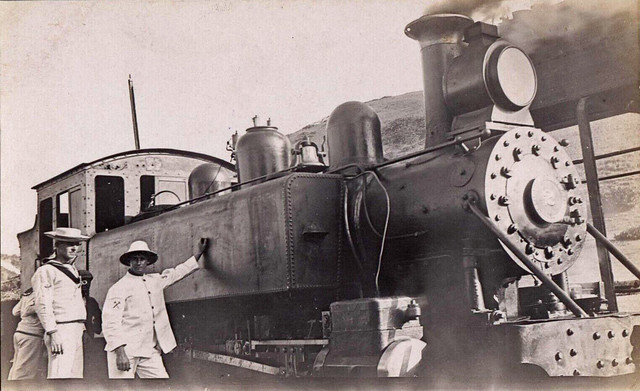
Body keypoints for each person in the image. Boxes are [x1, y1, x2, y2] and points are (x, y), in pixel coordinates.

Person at [102, 238, 209, 379]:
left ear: (148, 261)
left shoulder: (155, 280)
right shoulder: (118, 288)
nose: (139, 262)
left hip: (149, 351)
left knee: (161, 384)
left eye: (142, 258)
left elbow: (178, 272)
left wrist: (199, 253)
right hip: (125, 351)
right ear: (129, 261)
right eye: (135, 259)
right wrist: (120, 353)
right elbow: (110, 322)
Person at [31, 227, 90, 379]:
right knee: (60, 378)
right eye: (68, 243)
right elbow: (42, 303)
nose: (74, 247)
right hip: (61, 329)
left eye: (77, 244)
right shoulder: (46, 271)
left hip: (76, 329)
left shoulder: (72, 269)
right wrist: (52, 332)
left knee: (75, 379)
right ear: (57, 245)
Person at [7, 287, 47, 380]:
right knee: (24, 372)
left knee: (16, 366)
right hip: (32, 335)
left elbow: (15, 312)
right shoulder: (42, 293)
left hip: (20, 332)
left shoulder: (28, 294)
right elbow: (29, 309)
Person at [78, 270, 106, 379]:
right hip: (74, 336)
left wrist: (96, 328)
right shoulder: (70, 301)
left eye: (88, 284)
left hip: (89, 337)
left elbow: (99, 315)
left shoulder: (91, 301)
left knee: (88, 362)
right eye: (83, 283)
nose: (85, 287)